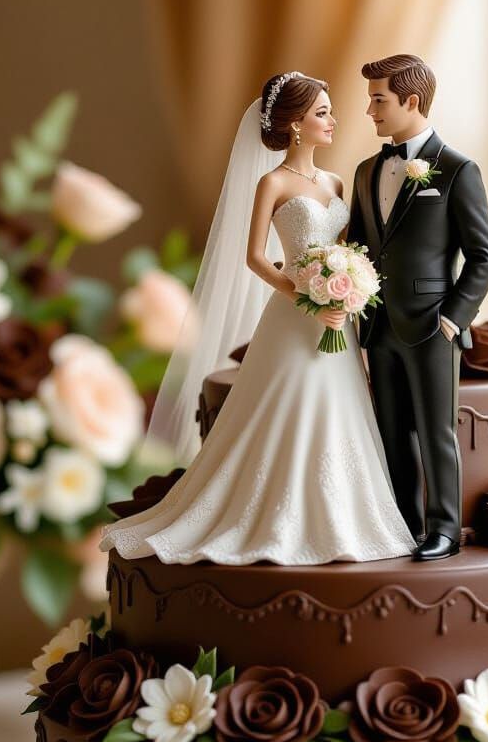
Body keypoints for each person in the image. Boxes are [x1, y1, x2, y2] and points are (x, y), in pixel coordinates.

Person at [100, 73, 414, 566]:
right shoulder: (273, 182)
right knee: (284, 404)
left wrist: (349, 288)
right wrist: (307, 292)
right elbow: (255, 257)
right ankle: (264, 513)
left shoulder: (334, 182)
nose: (333, 120)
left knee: (338, 405)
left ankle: (340, 514)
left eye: (330, 111)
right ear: (294, 124)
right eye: (322, 113)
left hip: (338, 318)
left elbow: (349, 249)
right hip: (295, 315)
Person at [348, 54, 488, 561]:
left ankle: (443, 529)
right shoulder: (367, 170)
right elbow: (362, 246)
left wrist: (453, 321)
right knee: (391, 432)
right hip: (378, 324)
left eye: (378, 99)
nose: (369, 110)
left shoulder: (457, 169)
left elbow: (484, 257)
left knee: (436, 432)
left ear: (411, 101)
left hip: (433, 325)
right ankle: (402, 523)